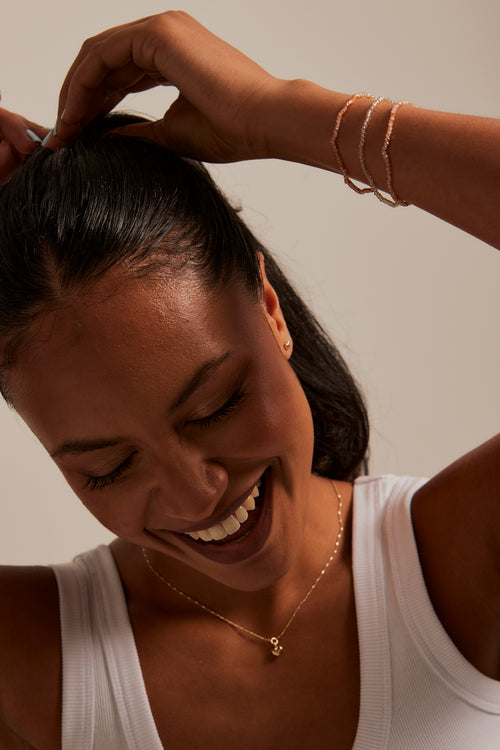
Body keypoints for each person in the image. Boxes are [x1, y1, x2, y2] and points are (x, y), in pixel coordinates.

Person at [0, 11, 498, 750]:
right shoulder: (28, 663)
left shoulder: (455, 565)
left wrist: (280, 114)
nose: (195, 493)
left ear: (270, 311)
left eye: (214, 406)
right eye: (108, 468)